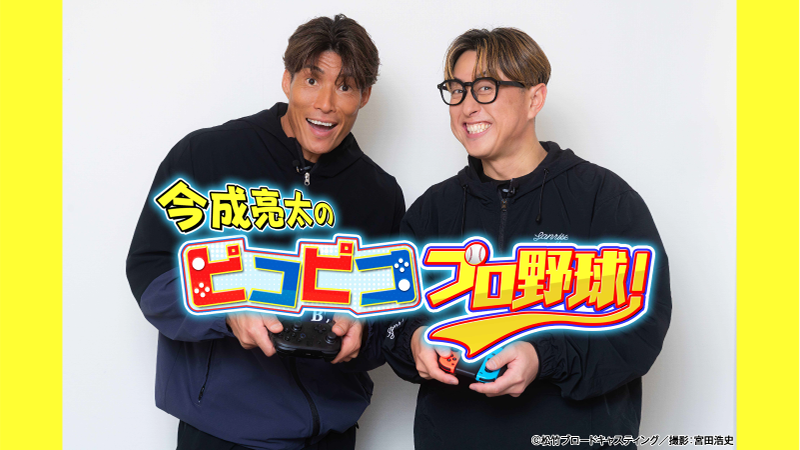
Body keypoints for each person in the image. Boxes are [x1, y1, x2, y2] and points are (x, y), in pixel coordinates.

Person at [126, 15, 405, 450]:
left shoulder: (379, 193)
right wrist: (225, 309)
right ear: (287, 80)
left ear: (364, 96)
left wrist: (363, 331)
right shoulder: (206, 155)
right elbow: (151, 273)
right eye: (311, 80)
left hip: (330, 436)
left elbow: (390, 316)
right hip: (221, 433)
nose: (326, 103)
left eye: (345, 86)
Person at [383, 28, 671, 449]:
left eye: (485, 88)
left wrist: (541, 357)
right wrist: (414, 340)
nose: (467, 106)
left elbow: (642, 327)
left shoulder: (603, 199)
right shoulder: (433, 210)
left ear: (535, 99)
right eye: (457, 90)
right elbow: (388, 317)